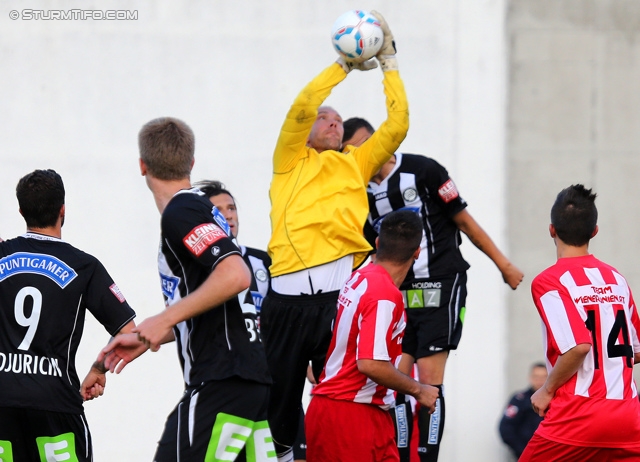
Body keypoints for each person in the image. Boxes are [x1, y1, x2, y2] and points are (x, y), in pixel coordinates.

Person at [261, 11, 409, 462]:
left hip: (338, 300)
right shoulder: (290, 158)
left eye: (338, 120)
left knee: (340, 392)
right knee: (277, 401)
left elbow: (397, 125)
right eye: (324, 118)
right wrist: (342, 66)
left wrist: (389, 64)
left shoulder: (355, 162)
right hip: (286, 301)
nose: (332, 121)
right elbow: (304, 104)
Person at [341, 118, 524, 462]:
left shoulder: (423, 170)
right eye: (353, 150)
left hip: (442, 282)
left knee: (428, 379)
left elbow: (464, 221)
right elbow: (362, 248)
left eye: (368, 143)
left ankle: (427, 456)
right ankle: (398, 453)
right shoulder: (358, 191)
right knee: (394, 377)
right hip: (399, 293)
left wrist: (503, 264)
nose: (365, 153)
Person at [98, 118, 275, 461]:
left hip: (222, 379)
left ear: (142, 165)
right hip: (247, 381)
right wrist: (147, 335)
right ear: (191, 163)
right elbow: (213, 300)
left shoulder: (182, 210)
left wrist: (164, 319)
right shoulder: (200, 209)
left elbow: (236, 275)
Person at [0, 169, 136, 461]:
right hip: (56, 402)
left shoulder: (2, 255)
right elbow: (129, 334)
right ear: (63, 209)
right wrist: (99, 368)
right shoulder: (85, 266)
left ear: (21, 210)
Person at [306, 210, 439, 461]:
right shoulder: (384, 294)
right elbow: (370, 363)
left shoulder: (359, 277)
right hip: (348, 415)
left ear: (377, 243)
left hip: (366, 412)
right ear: (417, 251)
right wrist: (419, 390)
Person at [520, 184, 640, 461]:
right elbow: (634, 348)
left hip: (576, 417)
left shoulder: (549, 281)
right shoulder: (616, 279)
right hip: (627, 419)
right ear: (594, 231)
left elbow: (578, 347)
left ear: (552, 230)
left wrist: (546, 389)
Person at [195, 179, 308, 461]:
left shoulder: (264, 262)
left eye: (231, 207)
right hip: (228, 387)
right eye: (218, 209)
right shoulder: (196, 268)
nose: (228, 214)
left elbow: (287, 319)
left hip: (276, 382)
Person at [498, 362, 547, 459]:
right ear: (530, 378)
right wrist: (523, 451)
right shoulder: (519, 399)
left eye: (544, 377)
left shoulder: (556, 400)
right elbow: (506, 428)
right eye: (536, 377)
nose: (539, 381)